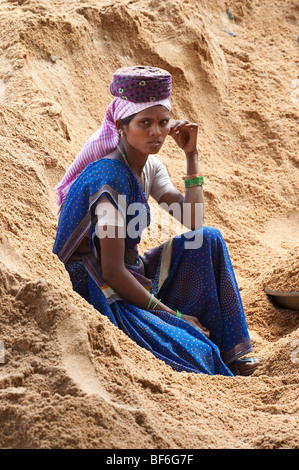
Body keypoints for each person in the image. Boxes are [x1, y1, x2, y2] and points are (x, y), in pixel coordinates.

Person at [53, 66, 260, 376]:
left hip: (131, 273)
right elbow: (111, 271)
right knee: (196, 351)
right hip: (101, 289)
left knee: (209, 238)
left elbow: (193, 219)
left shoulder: (149, 167)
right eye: (144, 123)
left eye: (163, 122)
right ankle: (196, 339)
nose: (156, 133)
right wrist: (173, 315)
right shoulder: (109, 180)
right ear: (121, 126)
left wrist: (191, 155)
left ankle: (236, 354)